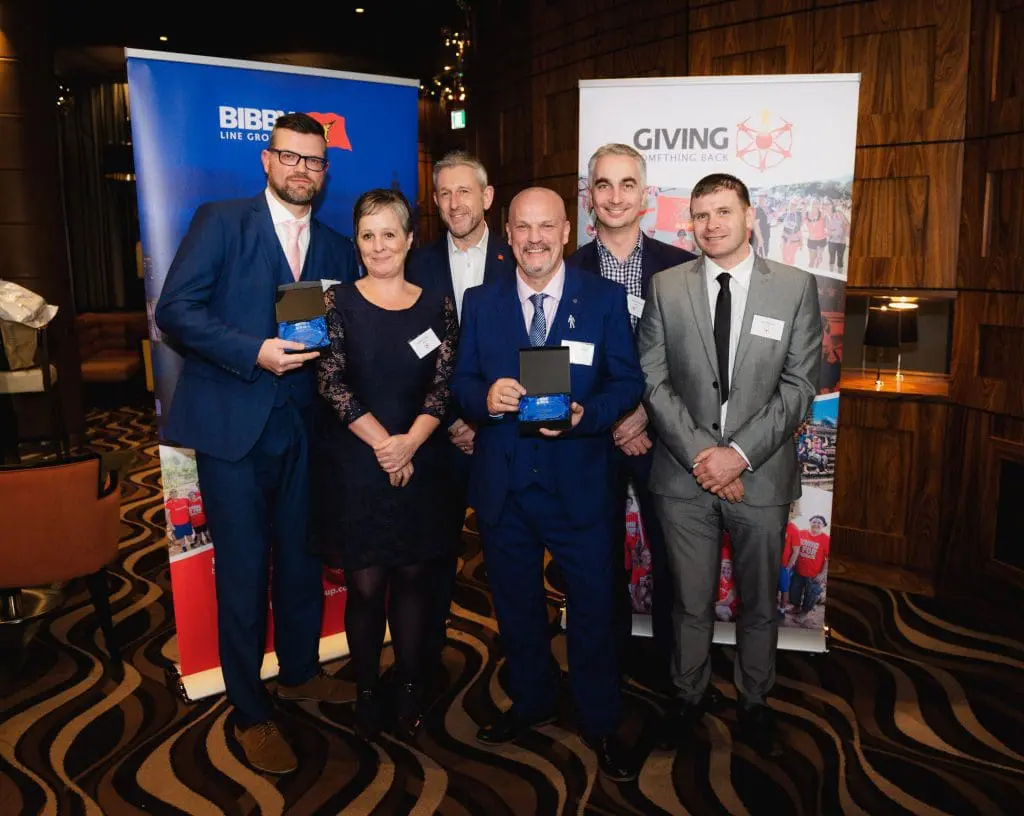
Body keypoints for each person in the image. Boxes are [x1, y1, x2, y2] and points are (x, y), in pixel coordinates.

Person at [155, 112, 359, 775]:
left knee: (301, 563)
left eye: (315, 162)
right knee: (243, 574)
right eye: (291, 158)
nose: (303, 170)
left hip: (306, 430)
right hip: (234, 430)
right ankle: (249, 710)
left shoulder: (333, 245)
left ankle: (299, 673)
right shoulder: (222, 222)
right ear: (268, 161)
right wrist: (255, 352)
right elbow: (175, 311)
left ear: (326, 173)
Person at [451, 187, 645, 782]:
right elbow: (459, 381)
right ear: (507, 235)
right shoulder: (480, 302)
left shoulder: (604, 298)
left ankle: (599, 717)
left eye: (546, 227)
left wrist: (592, 415)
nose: (534, 238)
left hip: (580, 482)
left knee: (592, 607)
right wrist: (483, 399)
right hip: (504, 484)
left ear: (566, 231)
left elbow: (627, 381)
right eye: (522, 227)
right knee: (515, 605)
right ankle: (531, 700)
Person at [636, 172, 821, 756]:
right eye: (701, 215)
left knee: (759, 601)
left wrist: (736, 456)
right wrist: (702, 456)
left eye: (723, 212)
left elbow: (799, 385)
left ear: (750, 216)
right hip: (683, 475)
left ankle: (754, 700)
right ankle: (688, 697)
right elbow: (652, 378)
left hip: (759, 476)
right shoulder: (667, 287)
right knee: (688, 601)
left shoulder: (794, 287)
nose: (711, 225)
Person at [314, 188, 458, 742]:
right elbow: (331, 382)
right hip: (357, 464)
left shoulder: (436, 305)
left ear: (408, 239)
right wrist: (384, 446)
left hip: (422, 463)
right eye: (368, 235)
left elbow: (444, 389)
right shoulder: (337, 303)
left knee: (416, 579)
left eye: (389, 234)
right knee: (368, 585)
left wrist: (409, 445)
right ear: (357, 243)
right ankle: (368, 686)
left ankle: (410, 683)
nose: (379, 246)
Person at [569, 143, 696, 689]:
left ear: (645, 196)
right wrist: (611, 418)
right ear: (588, 197)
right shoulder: (566, 267)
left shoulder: (681, 268)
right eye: (603, 185)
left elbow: (693, 362)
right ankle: (607, 668)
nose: (615, 196)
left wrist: (641, 414)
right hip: (590, 439)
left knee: (672, 561)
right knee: (598, 563)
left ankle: (673, 674)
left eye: (627, 185)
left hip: (660, 439)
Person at [405, 151, 515, 681]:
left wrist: (484, 417)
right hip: (439, 436)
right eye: (444, 193)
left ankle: (520, 666)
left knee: (510, 555)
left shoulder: (522, 256)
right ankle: (427, 661)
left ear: (487, 197)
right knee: (433, 555)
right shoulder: (416, 265)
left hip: (505, 434)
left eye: (464, 191)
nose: (454, 203)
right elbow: (411, 354)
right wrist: (452, 418)